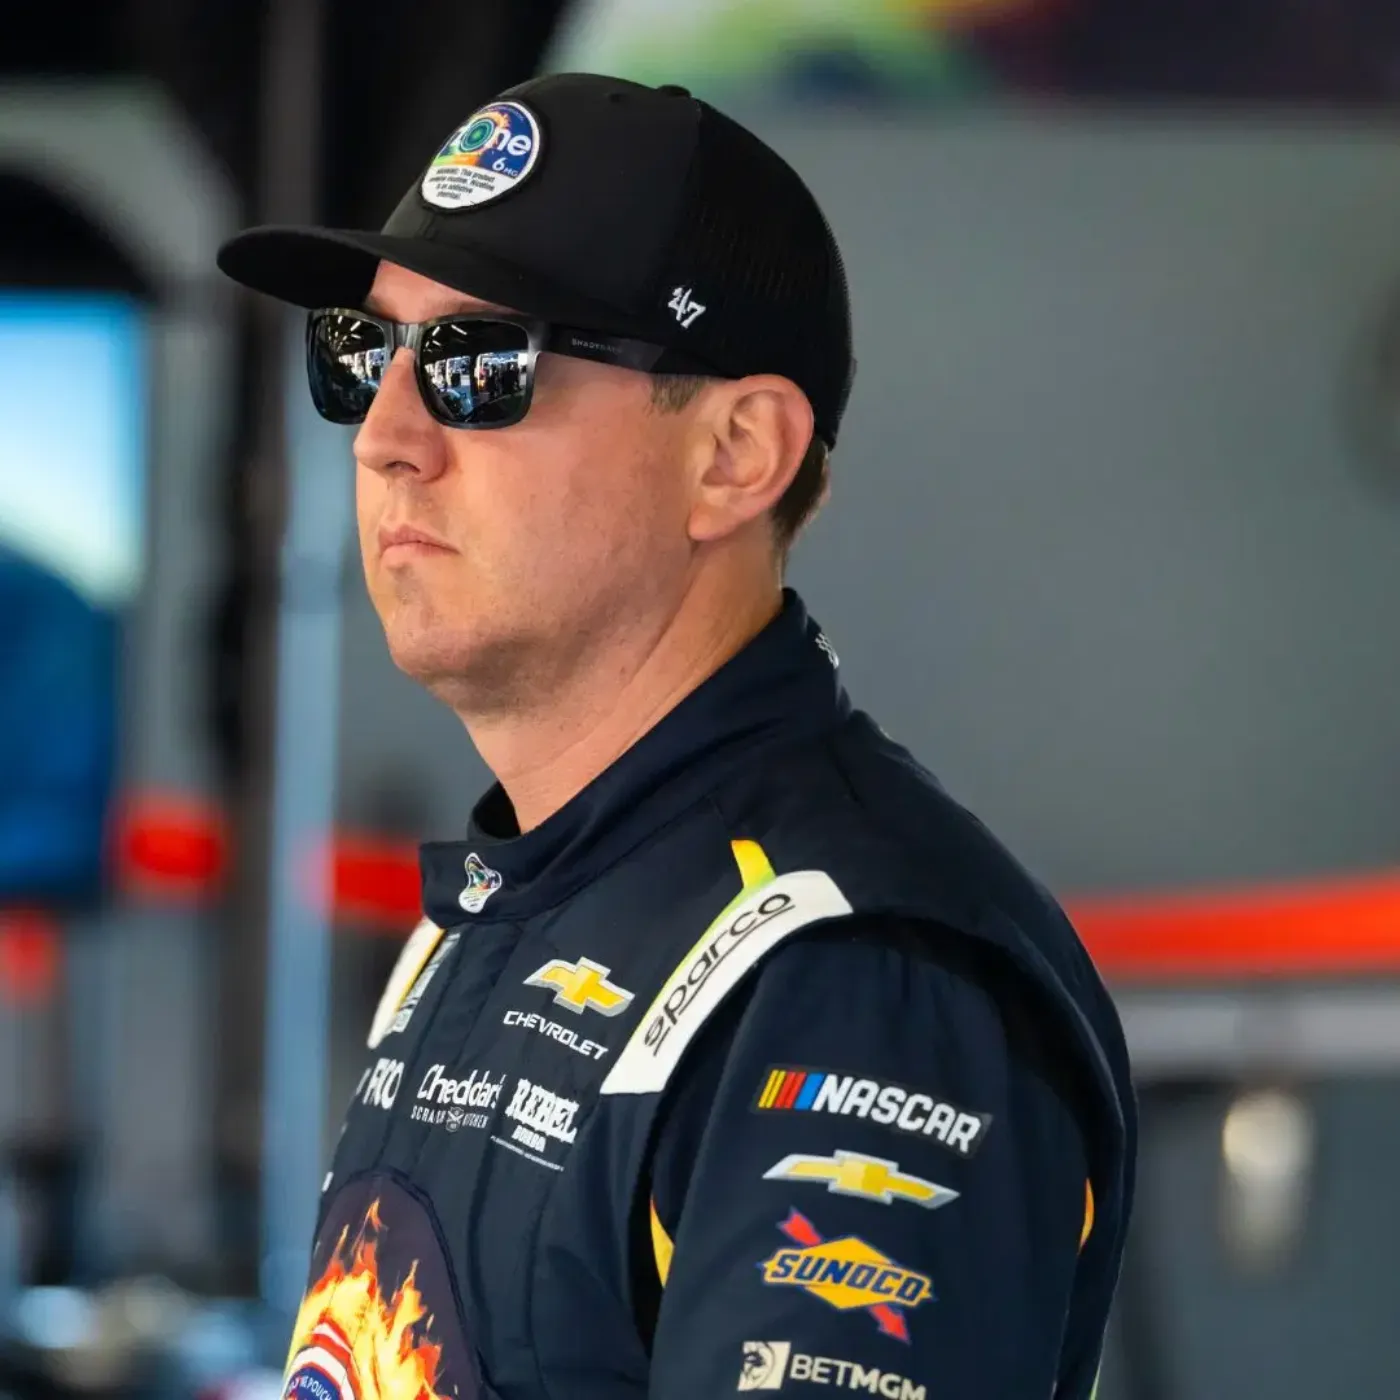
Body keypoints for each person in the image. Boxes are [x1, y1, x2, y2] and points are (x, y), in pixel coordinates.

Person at [219, 72, 1135, 1400]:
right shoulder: (497, 909)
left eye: (480, 364)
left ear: (736, 454)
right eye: (365, 354)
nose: (385, 437)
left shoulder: (845, 981)